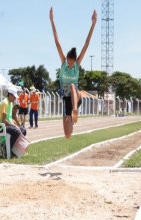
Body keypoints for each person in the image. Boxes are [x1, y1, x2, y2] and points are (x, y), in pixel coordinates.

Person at [49, 7, 97, 138]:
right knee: (67, 134)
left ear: (74, 61)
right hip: (65, 98)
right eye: (68, 63)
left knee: (72, 86)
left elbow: (86, 44)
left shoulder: (77, 64)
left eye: (71, 63)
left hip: (76, 97)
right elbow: (57, 43)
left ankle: (75, 109)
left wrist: (93, 24)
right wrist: (52, 20)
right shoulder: (63, 62)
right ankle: (71, 118)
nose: (69, 66)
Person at [0, 87, 27, 158]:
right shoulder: (5, 103)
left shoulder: (10, 103)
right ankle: (5, 148)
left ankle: (14, 150)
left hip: (7, 125)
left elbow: (10, 117)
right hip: (1, 126)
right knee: (17, 131)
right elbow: (4, 120)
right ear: (10, 95)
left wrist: (17, 124)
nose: (15, 98)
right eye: (14, 96)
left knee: (23, 130)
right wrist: (14, 126)